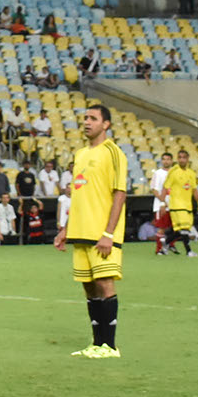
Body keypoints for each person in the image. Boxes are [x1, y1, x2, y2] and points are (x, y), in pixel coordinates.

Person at [54, 103, 128, 358]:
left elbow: (120, 194)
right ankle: (97, 344)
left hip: (101, 234)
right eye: (85, 118)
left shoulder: (113, 152)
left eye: (93, 118)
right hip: (80, 232)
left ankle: (110, 346)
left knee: (105, 283)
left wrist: (108, 233)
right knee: (88, 287)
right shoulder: (81, 154)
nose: (86, 122)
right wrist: (65, 228)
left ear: (105, 124)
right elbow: (78, 195)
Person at [160, 148, 198, 258]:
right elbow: (165, 188)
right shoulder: (173, 172)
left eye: (184, 158)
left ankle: (166, 242)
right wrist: (162, 204)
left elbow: (194, 189)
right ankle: (189, 251)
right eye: (179, 158)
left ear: (188, 159)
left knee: (181, 231)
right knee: (184, 229)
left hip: (188, 206)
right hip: (176, 205)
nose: (181, 160)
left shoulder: (191, 173)